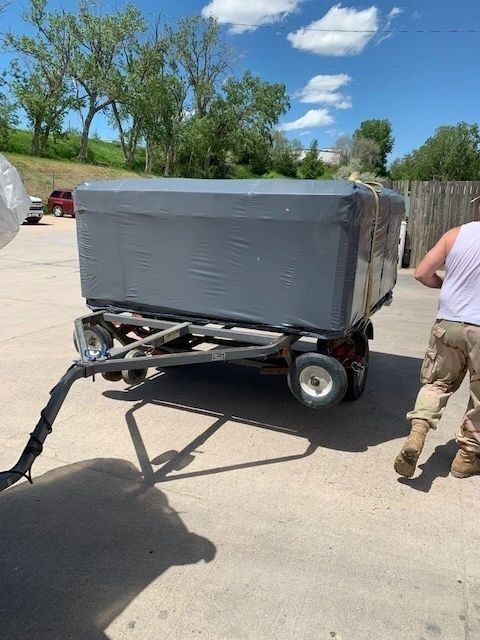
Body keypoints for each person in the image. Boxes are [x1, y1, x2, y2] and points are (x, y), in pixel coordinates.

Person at [394, 219, 480, 479]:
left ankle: (417, 435)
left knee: (436, 384)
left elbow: (421, 272)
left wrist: (447, 286)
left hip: (449, 323)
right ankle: (466, 458)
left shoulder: (456, 234)